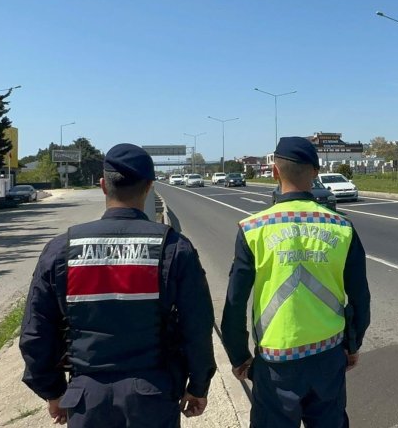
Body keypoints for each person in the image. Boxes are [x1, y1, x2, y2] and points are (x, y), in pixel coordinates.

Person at [20, 143, 216, 427]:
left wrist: (54, 392)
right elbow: (197, 325)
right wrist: (198, 385)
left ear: (102, 186)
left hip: (86, 399)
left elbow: (35, 332)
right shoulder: (173, 247)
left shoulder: (62, 249)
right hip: (153, 396)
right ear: (149, 187)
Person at [221, 136, 371, 428]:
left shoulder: (253, 229)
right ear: (315, 172)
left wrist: (239, 356)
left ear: (275, 172)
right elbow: (360, 296)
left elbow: (235, 302)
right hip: (328, 356)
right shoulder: (342, 227)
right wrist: (352, 345)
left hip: (275, 363)